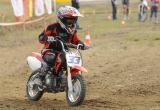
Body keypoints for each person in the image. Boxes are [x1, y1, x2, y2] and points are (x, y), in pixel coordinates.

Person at [38, 6, 88, 76]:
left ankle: (67, 78)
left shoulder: (72, 30)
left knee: (71, 58)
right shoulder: (52, 27)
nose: (72, 22)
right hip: (50, 50)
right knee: (52, 58)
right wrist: (51, 38)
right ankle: (45, 75)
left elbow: (76, 41)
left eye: (73, 20)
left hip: (65, 51)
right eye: (69, 20)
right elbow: (41, 38)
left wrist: (82, 44)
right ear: (62, 19)